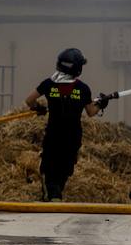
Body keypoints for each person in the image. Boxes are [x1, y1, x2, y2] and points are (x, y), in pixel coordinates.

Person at [23, 48, 113, 202]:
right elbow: (91, 111)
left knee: (50, 165)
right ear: (78, 69)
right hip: (72, 136)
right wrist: (103, 103)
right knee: (65, 167)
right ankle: (55, 194)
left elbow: (29, 100)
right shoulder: (82, 88)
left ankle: (52, 194)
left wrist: (39, 108)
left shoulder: (49, 84)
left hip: (53, 134)